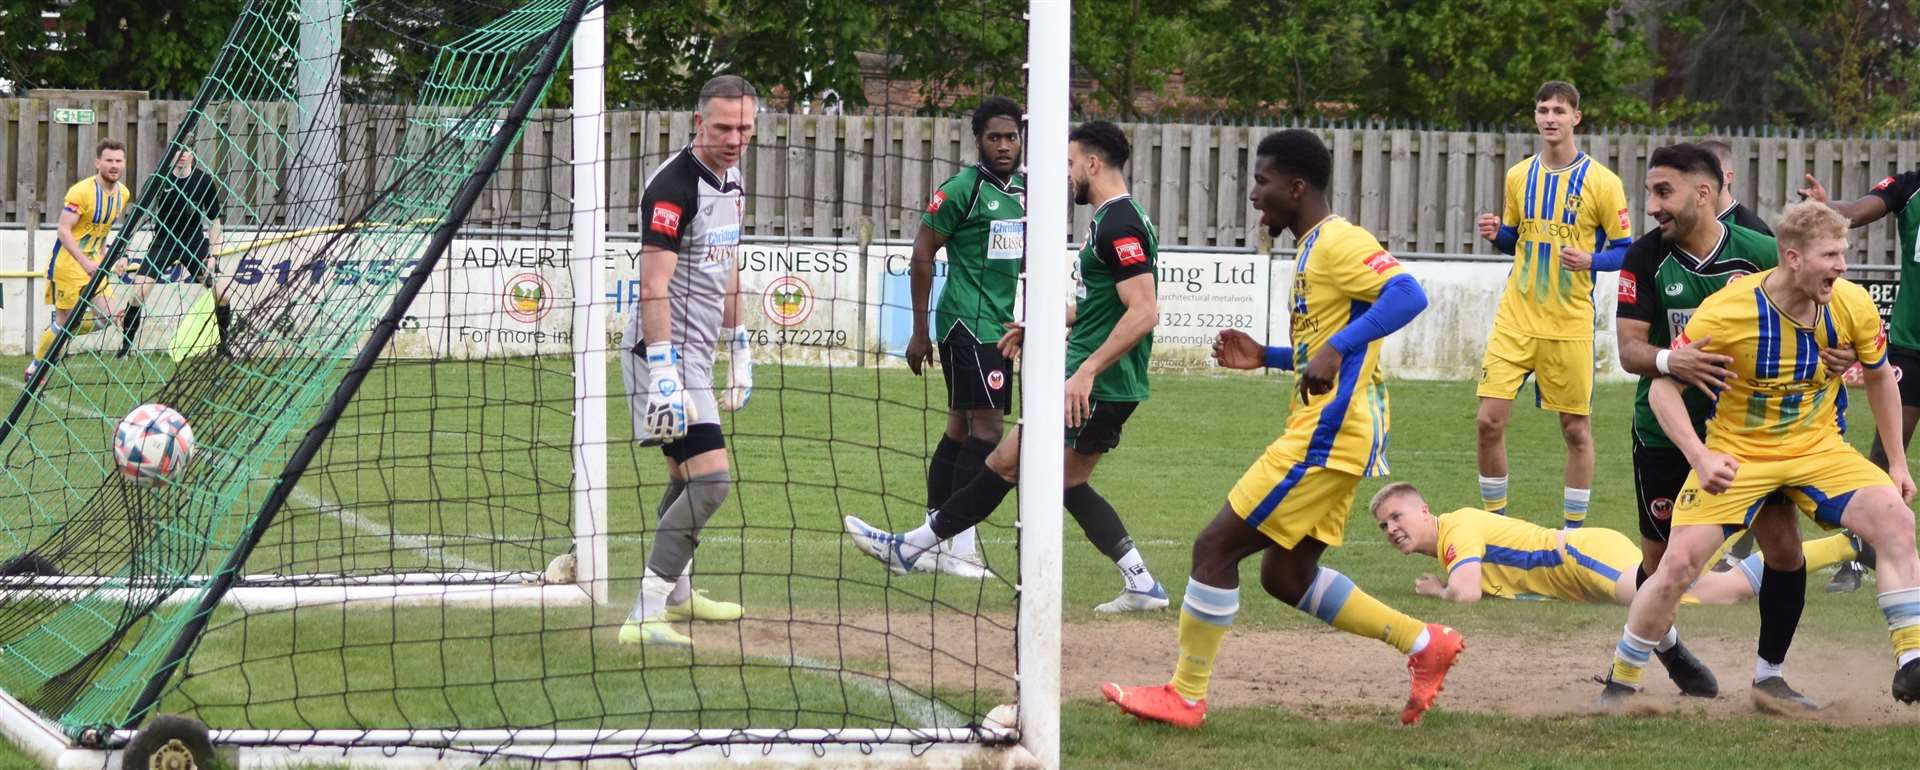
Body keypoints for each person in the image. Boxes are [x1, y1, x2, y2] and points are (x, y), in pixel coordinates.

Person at [1101, 129, 1461, 730]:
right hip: (1339, 429)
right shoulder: (1311, 248)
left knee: (1214, 548)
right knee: (1285, 575)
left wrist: (1337, 346)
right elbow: (1323, 352)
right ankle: (1425, 643)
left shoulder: (1338, 241)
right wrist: (1268, 356)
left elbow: (1408, 293)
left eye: (1262, 182)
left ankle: (1186, 696)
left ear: (1296, 187)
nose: (1254, 196)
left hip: (1330, 432)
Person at [1600, 201, 1920, 713]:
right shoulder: (1730, 311)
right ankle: (1620, 683)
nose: (1842, 266)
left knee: (1895, 520)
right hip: (1738, 452)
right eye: (1830, 254)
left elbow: (1881, 375)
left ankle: (1910, 662)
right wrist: (1699, 456)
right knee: (1678, 563)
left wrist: (1897, 465)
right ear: (1793, 258)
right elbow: (1662, 389)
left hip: (1818, 448)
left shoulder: (1851, 303)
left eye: (1844, 253)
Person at [844, 120, 1167, 614]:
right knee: (1066, 483)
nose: (1065, 174)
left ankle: (910, 549)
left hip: (1091, 382)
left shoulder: (1118, 223)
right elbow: (1106, 303)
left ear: (1092, 164)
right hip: (1109, 384)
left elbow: (1143, 311)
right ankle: (1141, 582)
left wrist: (1085, 372)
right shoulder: (1121, 218)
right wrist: (1045, 323)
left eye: (1068, 163)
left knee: (1002, 462)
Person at [619, 75, 758, 648]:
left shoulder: (733, 181)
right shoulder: (674, 186)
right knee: (713, 481)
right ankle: (643, 615)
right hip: (664, 358)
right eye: (723, 127)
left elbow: (726, 266)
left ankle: (677, 596)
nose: (734, 138)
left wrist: (740, 344)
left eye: (745, 128)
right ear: (698, 122)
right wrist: (665, 372)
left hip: (698, 357)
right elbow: (653, 286)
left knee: (684, 477)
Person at [1472, 81, 1634, 530]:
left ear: (1576, 118)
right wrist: (1496, 235)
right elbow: (1515, 239)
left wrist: (1592, 260)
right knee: (1488, 422)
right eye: (1543, 109)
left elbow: (1626, 250)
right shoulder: (1519, 175)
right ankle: (1495, 525)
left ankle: (1573, 536)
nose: (1550, 118)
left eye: (1559, 110)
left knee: (1576, 431)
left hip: (1569, 323)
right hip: (1515, 318)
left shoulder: (1603, 183)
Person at [1370, 482, 1867, 609]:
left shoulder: (1457, 529)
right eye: (1383, 526)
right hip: (1581, 569)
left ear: (1423, 509)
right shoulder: (1452, 537)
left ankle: (1730, 520)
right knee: (1718, 593)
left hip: (1581, 557)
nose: (1392, 529)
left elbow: (1467, 593)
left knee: (1677, 593)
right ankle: (1849, 546)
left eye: (1396, 516)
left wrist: (1440, 592)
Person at [901, 96, 1027, 579]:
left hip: (998, 326)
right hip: (967, 326)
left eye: (1010, 137)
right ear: (978, 140)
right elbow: (922, 253)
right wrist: (918, 330)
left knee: (959, 428)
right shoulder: (961, 189)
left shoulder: (1024, 191)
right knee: (989, 433)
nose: (1002, 145)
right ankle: (958, 547)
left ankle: (933, 536)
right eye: (993, 137)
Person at [1798, 168, 1920, 592]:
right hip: (1911, 347)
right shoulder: (1909, 187)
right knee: (1884, 455)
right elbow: (1852, 212)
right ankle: (1857, 558)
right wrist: (1824, 205)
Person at [30, 139, 131, 379]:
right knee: (66, 322)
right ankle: (36, 367)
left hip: (96, 265)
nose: (114, 165)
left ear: (124, 163)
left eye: (118, 161)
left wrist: (112, 258)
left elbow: (101, 233)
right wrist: (85, 263)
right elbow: (64, 230)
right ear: (98, 163)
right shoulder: (81, 191)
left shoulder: (123, 194)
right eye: (109, 160)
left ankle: (56, 333)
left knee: (112, 315)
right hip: (67, 266)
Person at [121, 147, 235, 358]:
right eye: (179, 149)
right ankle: (125, 347)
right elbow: (135, 218)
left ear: (193, 153)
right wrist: (124, 253)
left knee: (223, 294)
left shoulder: (204, 181)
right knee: (137, 294)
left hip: (193, 244)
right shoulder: (159, 179)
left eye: (187, 149)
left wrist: (213, 256)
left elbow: (215, 222)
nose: (182, 153)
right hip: (162, 243)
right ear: (171, 151)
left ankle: (223, 347)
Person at [1697, 139, 1772, 235]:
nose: (1699, 179)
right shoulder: (1685, 225)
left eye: (1708, 172)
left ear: (1728, 177)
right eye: (1693, 173)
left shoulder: (1754, 230)